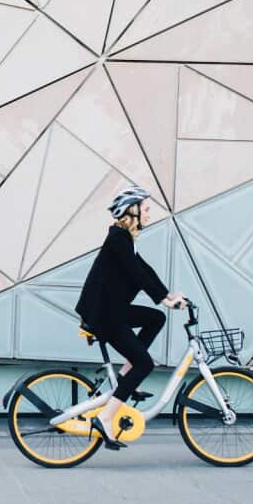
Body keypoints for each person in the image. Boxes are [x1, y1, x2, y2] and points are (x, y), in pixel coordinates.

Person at [75, 186, 185, 450]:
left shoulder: (125, 239)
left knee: (155, 319)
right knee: (144, 364)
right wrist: (163, 299)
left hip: (112, 309)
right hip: (104, 315)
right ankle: (104, 418)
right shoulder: (117, 238)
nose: (149, 214)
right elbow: (137, 274)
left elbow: (145, 269)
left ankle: (125, 377)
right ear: (131, 211)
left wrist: (167, 295)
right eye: (146, 209)